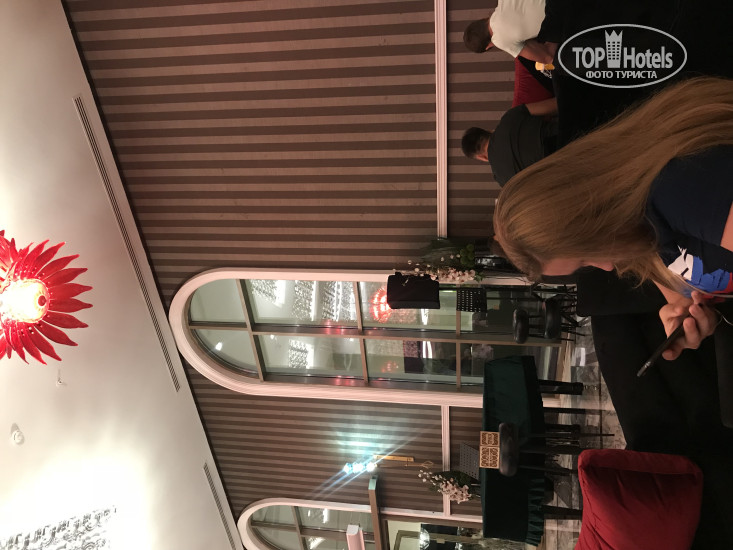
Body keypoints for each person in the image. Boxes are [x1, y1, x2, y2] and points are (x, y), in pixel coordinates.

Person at [492, 77, 733, 359]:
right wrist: (686, 314)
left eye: (586, 255)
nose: (606, 266)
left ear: (587, 211)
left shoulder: (676, 187)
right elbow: (684, 291)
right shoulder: (639, 231)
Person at [462, 98, 558, 185]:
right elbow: (555, 104)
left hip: (560, 171)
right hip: (563, 131)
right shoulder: (510, 116)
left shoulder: (503, 180)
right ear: (488, 131)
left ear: (481, 157)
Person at [463, 0, 556, 64]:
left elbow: (548, 58)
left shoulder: (499, 40)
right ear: (483, 19)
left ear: (488, 47)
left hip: (560, 15)